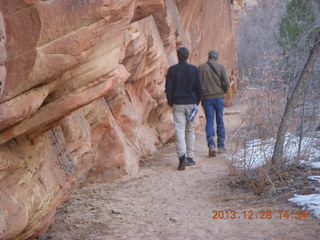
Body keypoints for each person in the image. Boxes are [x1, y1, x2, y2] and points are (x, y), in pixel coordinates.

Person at [165, 47, 203, 170]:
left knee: (179, 130)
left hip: (178, 103)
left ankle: (182, 158)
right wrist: (196, 102)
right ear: (187, 56)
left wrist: (171, 102)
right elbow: (200, 88)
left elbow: (169, 89)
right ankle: (190, 158)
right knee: (190, 130)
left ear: (178, 56)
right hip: (191, 103)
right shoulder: (194, 70)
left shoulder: (172, 70)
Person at [199, 49, 230, 157]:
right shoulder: (221, 67)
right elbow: (226, 82)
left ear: (208, 57)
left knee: (210, 122)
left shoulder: (201, 67)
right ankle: (221, 146)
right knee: (220, 120)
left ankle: (211, 145)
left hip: (207, 98)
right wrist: (224, 91)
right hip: (219, 97)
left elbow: (199, 83)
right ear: (216, 57)